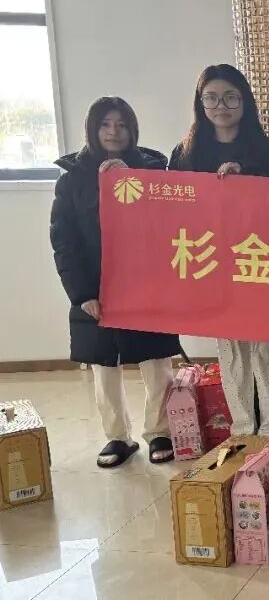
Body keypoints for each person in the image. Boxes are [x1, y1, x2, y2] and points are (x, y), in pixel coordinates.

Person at [50, 97, 183, 468]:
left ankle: (159, 431)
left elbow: (168, 223)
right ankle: (117, 437)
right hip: (97, 287)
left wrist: (132, 179)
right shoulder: (72, 179)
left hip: (146, 283)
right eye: (105, 124)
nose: (113, 132)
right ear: (93, 130)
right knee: (104, 366)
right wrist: (81, 294)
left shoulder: (154, 169)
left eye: (122, 125)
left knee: (156, 362)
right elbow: (64, 242)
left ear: (132, 130)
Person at [169, 64, 269, 436]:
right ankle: (242, 430)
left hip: (263, 260)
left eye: (230, 97)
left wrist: (258, 182)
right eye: (211, 98)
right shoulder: (186, 153)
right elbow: (172, 206)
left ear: (245, 101)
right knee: (232, 349)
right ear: (200, 102)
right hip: (215, 262)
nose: (220, 106)